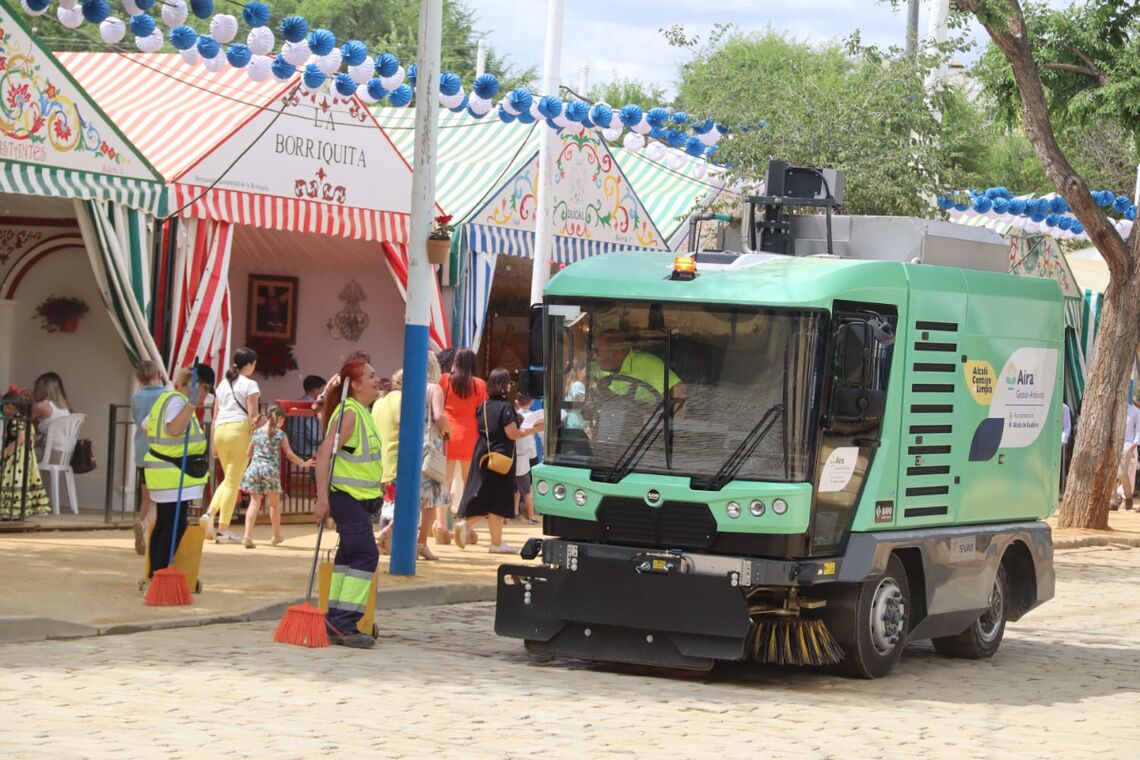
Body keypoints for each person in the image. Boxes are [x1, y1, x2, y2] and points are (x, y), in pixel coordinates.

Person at [314, 358, 384, 649]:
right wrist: (321, 498)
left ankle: (335, 620)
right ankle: (344, 624)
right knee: (366, 555)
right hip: (346, 498)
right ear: (355, 384)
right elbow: (324, 454)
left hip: (355, 500)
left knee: (346, 560)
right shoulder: (350, 413)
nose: (376, 379)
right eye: (370, 375)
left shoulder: (361, 412)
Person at [454, 368, 543, 553]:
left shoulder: (483, 406)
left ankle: (495, 542)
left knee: (487, 496)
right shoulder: (506, 408)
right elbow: (512, 434)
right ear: (504, 385)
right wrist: (535, 429)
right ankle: (470, 527)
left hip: (482, 454)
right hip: (501, 458)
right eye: (509, 382)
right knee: (498, 499)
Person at [142, 367, 210, 586]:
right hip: (172, 475)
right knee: (173, 526)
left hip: (166, 472)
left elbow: (147, 426)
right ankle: (159, 574)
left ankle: (155, 574)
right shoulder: (179, 402)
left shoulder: (165, 399)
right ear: (197, 387)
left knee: (165, 523)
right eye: (205, 390)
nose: (205, 397)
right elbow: (174, 429)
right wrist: (190, 404)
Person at [201, 347, 260, 543]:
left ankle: (212, 516)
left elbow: (216, 414)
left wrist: (213, 444)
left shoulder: (222, 384)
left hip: (221, 431)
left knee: (228, 481)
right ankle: (221, 527)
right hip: (239, 432)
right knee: (233, 482)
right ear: (250, 365)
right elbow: (253, 417)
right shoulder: (250, 385)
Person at [239, 405, 314, 548]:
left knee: (254, 503)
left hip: (254, 468)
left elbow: (248, 453)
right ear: (281, 419)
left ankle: (247, 536)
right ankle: (276, 535)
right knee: (274, 505)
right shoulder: (280, 434)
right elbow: (290, 455)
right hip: (270, 470)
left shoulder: (256, 432)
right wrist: (303, 463)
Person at [440, 348, 486, 545]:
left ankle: (440, 525)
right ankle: (467, 527)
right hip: (470, 436)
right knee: (471, 485)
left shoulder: (444, 381)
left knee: (445, 482)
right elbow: (481, 412)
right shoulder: (479, 384)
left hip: (448, 435)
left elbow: (438, 406)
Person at [592, 330, 686, 406]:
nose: (594, 357)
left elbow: (679, 391)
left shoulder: (647, 364)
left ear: (614, 354)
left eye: (597, 352)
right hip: (615, 425)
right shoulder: (603, 371)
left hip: (646, 425)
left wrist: (674, 425)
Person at [130, 361, 166, 555]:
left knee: (145, 498)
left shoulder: (137, 396)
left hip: (142, 449)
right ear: (158, 374)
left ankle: (142, 527)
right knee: (158, 500)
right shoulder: (164, 395)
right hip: (160, 450)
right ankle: (145, 528)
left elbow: (137, 420)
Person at [419, 352, 452, 560]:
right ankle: (421, 543)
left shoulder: (409, 389)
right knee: (432, 497)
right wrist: (448, 430)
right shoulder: (434, 389)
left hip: (412, 443)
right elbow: (439, 416)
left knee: (413, 494)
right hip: (430, 443)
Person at [1, 388, 51, 519]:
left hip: (17, 455)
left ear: (10, 406)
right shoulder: (25, 419)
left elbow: (21, 437)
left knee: (10, 479)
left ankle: (12, 510)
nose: (3, 410)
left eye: (4, 406)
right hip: (25, 454)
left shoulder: (15, 420)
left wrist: (7, 450)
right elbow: (31, 436)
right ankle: (18, 510)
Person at [371, 369, 402, 554]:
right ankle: (384, 533)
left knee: (389, 503)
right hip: (396, 458)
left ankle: (385, 543)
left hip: (381, 460)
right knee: (406, 504)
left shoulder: (380, 401)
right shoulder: (401, 399)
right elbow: (400, 421)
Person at [513, 391, 540, 524]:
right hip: (529, 457)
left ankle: (515, 511)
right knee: (527, 488)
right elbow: (539, 435)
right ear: (532, 402)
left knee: (516, 487)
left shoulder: (513, 418)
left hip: (514, 460)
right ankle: (531, 516)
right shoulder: (533, 417)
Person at [1111, 390, 1140, 511]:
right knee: (1111, 473)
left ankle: (1128, 496)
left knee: (1121, 472)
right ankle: (1113, 501)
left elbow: (1138, 431)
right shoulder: (1113, 411)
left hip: (1128, 445)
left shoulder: (1135, 411)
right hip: (1113, 445)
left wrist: (1133, 446)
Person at [287, 374, 325, 461]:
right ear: (316, 391)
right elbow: (313, 437)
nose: (324, 393)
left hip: (293, 447)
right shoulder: (310, 406)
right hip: (307, 449)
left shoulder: (296, 403)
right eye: (323, 390)